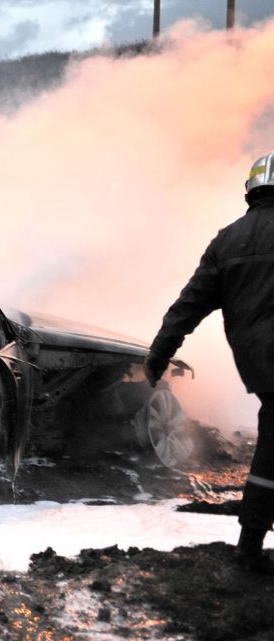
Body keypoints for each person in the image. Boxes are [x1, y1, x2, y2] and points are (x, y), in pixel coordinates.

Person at [144, 152, 274, 574]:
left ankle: (249, 548)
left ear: (250, 190)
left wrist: (159, 354)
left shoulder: (229, 240)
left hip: (260, 363)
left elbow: (189, 305)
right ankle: (249, 550)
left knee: (271, 451)